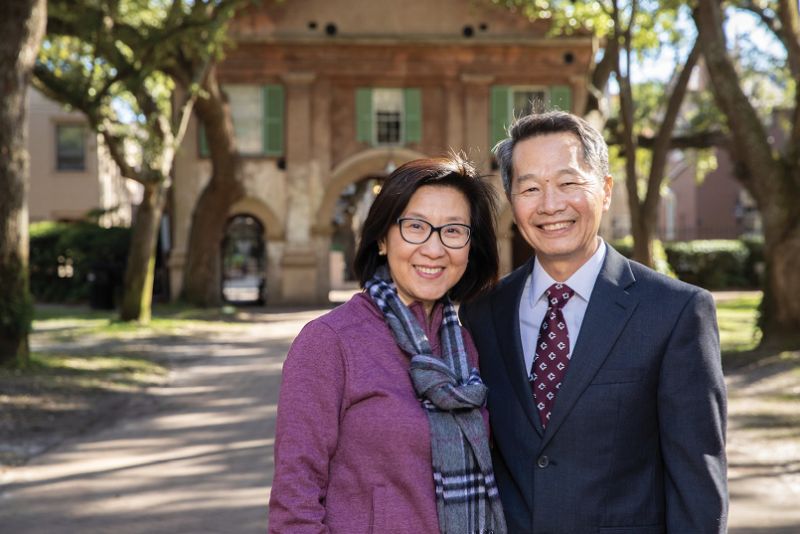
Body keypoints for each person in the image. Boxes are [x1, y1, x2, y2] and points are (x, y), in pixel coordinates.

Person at [459, 111, 728, 533]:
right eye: (530, 188)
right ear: (512, 202)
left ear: (604, 191)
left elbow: (697, 484)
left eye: (568, 183)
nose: (550, 205)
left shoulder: (675, 313)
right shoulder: (482, 313)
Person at [268, 156, 507, 534]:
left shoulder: (466, 344)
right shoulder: (330, 343)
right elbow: (294, 506)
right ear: (382, 238)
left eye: (454, 231)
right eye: (415, 227)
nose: (434, 248)